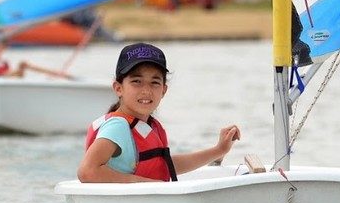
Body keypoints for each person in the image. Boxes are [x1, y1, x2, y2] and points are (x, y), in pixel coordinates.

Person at [78, 42, 240, 183]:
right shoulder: (118, 127)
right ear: (118, 88)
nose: (146, 91)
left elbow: (166, 165)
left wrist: (219, 150)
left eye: (154, 82)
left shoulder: (149, 126)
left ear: (164, 90)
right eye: (137, 81)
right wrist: (148, 185)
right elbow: (87, 171)